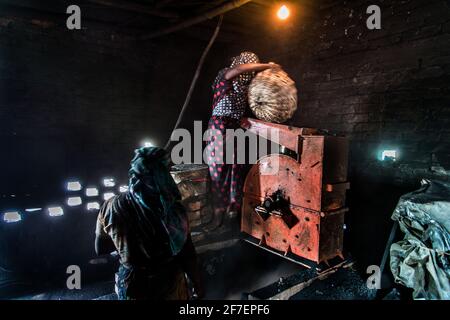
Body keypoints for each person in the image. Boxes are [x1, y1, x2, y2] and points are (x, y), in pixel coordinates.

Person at [95, 147, 203, 300]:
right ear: (163, 176)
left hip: (133, 285)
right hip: (170, 286)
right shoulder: (173, 211)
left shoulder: (111, 206)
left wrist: (127, 242)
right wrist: (197, 285)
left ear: (134, 174)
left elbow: (100, 248)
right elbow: (188, 254)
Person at [205, 51, 280, 230]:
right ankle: (217, 215)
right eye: (251, 65)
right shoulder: (224, 75)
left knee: (235, 171)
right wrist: (267, 66)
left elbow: (239, 110)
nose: (249, 72)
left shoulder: (244, 88)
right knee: (219, 172)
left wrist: (243, 119)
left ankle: (232, 215)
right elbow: (240, 69)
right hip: (219, 127)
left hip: (234, 128)